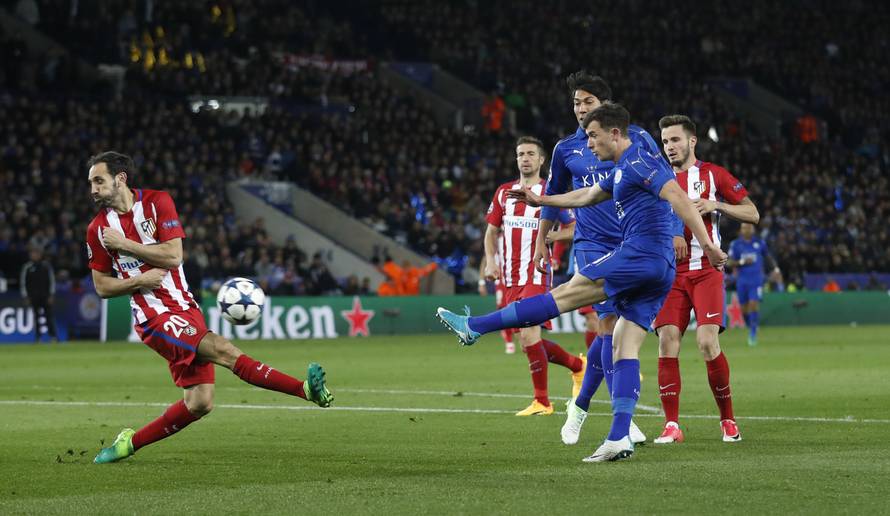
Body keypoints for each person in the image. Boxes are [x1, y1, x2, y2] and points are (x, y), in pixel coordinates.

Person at [437, 102, 727, 462]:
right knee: (623, 345)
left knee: (564, 294)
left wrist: (708, 245)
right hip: (658, 269)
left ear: (614, 133)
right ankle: (619, 437)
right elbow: (586, 196)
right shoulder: (622, 168)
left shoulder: (640, 161)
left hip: (640, 255)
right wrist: (542, 199)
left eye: (593, 136)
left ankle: (475, 327)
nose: (588, 144)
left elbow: (678, 197)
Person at [84, 151, 333, 464]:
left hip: (186, 308)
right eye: (91, 183)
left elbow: (174, 256)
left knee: (199, 402)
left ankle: (128, 443)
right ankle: (305, 390)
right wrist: (139, 281)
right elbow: (102, 287)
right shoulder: (97, 230)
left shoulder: (158, 203)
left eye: (99, 180)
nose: (93, 189)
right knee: (224, 350)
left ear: (120, 179)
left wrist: (125, 245)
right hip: (153, 317)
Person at [536, 71, 665, 446]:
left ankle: (579, 406)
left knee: (616, 331)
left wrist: (672, 230)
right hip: (591, 243)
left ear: (605, 107)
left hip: (633, 243)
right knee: (608, 323)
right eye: (576, 103)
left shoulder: (636, 138)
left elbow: (664, 183)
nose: (580, 109)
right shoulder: (566, 149)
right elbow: (554, 194)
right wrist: (542, 240)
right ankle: (623, 418)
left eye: (587, 102)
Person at [651, 115, 761, 445]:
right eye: (665, 141)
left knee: (707, 342)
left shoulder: (713, 175)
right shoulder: (656, 177)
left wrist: (717, 204)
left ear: (692, 141)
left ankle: (727, 419)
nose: (669, 147)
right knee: (667, 340)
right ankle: (672, 425)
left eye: (675, 140)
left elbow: (753, 213)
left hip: (706, 271)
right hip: (670, 274)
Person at [481, 136, 584, 416]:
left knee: (528, 335)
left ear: (541, 160)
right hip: (510, 277)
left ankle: (542, 401)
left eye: (530, 154)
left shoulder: (550, 193)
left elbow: (574, 228)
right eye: (520, 154)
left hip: (536, 274)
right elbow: (491, 232)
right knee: (528, 342)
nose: (524, 159)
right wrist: (490, 262)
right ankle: (577, 366)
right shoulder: (504, 192)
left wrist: (552, 237)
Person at [729, 222, 782, 346]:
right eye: (744, 227)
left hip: (756, 280)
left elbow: (768, 257)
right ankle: (751, 326)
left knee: (753, 304)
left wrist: (775, 269)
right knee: (744, 309)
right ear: (741, 230)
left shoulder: (760, 243)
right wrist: (742, 262)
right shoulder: (735, 244)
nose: (746, 229)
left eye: (749, 227)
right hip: (742, 281)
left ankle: (753, 333)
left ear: (753, 229)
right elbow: (729, 262)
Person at [20, 246, 59, 342]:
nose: (34, 255)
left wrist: (51, 294)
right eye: (33, 253)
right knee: (36, 316)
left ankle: (53, 336)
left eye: (36, 253)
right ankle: (38, 337)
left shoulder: (46, 266)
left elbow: (52, 281)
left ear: (40, 255)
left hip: (45, 295)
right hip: (33, 296)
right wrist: (26, 296)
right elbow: (23, 283)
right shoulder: (27, 267)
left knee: (49, 316)